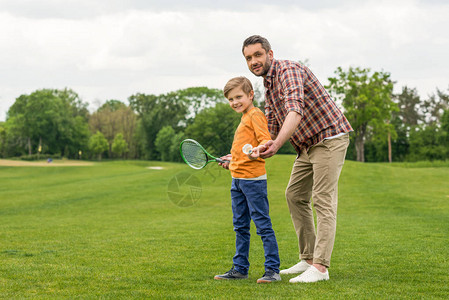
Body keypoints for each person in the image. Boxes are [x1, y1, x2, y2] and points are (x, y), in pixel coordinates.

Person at [238, 35, 353, 283]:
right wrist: (241, 153)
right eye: (248, 58)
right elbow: (268, 129)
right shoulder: (268, 86)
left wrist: (278, 144)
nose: (253, 61)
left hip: (329, 138)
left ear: (270, 54)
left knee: (323, 200)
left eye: (258, 55)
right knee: (295, 195)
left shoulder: (288, 70)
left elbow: (295, 110)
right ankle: (308, 259)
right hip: (307, 145)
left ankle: (320, 268)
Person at [214, 76, 281, 284]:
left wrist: (259, 151)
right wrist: (232, 159)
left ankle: (272, 270)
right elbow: (245, 149)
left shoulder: (255, 115)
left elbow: (265, 141)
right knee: (240, 226)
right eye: (230, 99)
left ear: (251, 95)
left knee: (262, 225)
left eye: (238, 97)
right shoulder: (244, 117)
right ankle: (240, 268)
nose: (234, 102)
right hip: (237, 181)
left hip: (253, 181)